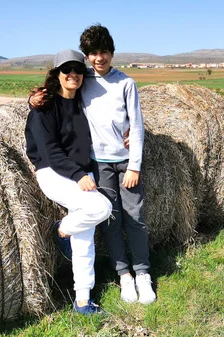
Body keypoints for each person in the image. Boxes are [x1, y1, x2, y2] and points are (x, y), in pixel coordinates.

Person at [24, 49, 112, 315]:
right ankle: (61, 230)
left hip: (83, 173)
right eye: (66, 69)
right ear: (57, 74)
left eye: (77, 69)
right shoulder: (44, 108)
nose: (72, 74)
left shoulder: (84, 102)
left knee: (85, 238)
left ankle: (83, 300)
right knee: (100, 209)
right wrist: (78, 176)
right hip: (54, 173)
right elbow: (50, 152)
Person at [78, 24, 156, 304]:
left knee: (135, 218)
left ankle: (143, 273)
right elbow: (55, 91)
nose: (99, 58)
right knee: (110, 220)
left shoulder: (126, 83)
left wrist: (135, 165)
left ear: (112, 53)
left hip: (125, 164)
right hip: (99, 165)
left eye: (104, 52)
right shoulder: (82, 81)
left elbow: (136, 126)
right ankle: (124, 275)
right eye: (93, 53)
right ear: (87, 56)